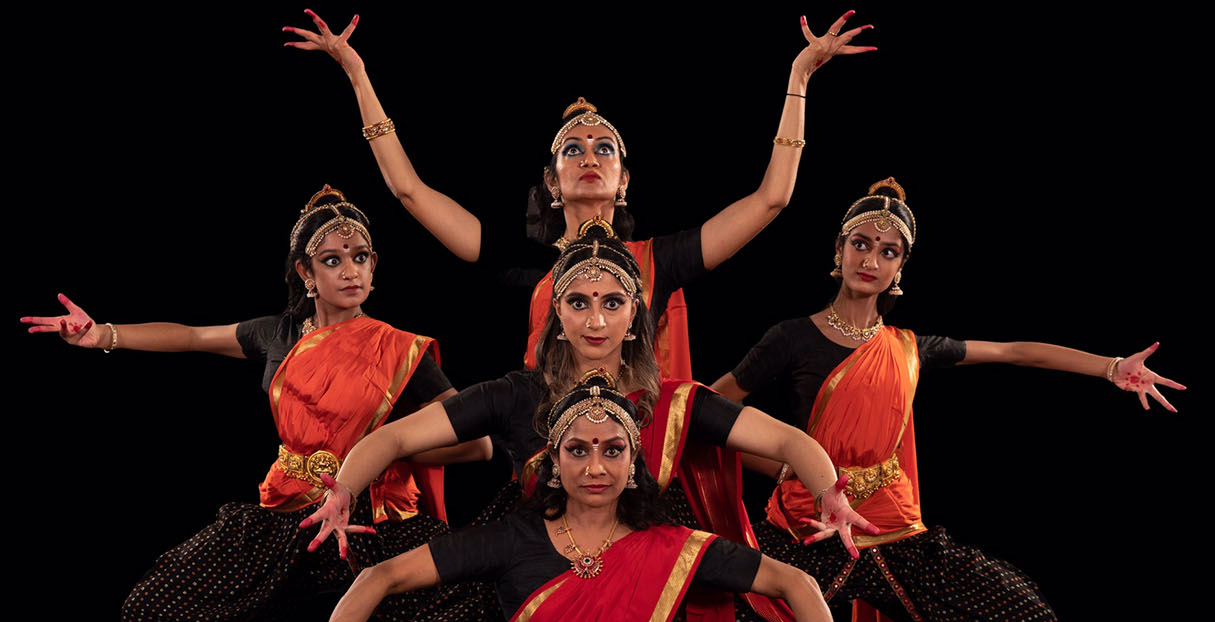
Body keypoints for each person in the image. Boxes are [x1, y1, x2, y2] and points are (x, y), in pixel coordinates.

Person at [294, 220, 877, 622]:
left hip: (653, 562)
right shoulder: (516, 395)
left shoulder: (674, 402)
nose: (596, 320)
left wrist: (829, 490)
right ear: (558, 315)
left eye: (612, 303)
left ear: (634, 318)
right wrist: (344, 487)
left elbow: (789, 443)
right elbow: (394, 439)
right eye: (579, 302)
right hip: (539, 555)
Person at [710, 178, 1185, 622]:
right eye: (861, 243)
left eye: (888, 251)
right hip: (806, 532)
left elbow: (1015, 352)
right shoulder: (791, 338)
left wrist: (1110, 367)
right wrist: (785, 466)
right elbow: (711, 414)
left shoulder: (908, 348)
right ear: (837, 251)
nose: (871, 259)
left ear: (901, 268)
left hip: (892, 530)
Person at [22, 185, 490, 622]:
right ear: (306, 272)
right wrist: (101, 334)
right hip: (287, 517)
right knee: (151, 606)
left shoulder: (400, 350)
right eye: (333, 259)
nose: (351, 270)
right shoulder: (279, 334)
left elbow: (475, 444)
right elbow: (192, 336)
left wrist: (380, 448)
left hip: (373, 520)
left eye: (361, 257)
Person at [269, 373, 874, 622]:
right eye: (578, 450)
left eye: (613, 451)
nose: (595, 466)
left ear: (633, 465)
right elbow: (379, 575)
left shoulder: (674, 547)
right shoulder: (512, 540)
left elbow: (795, 582)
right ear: (552, 464)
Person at [283, 9, 876, 377]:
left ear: (623, 182)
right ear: (551, 182)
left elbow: (771, 198)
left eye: (604, 149)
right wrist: (358, 76)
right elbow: (410, 191)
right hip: (551, 455)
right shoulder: (524, 262)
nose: (589, 156)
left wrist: (798, 79)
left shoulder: (657, 261)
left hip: (638, 461)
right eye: (573, 149)